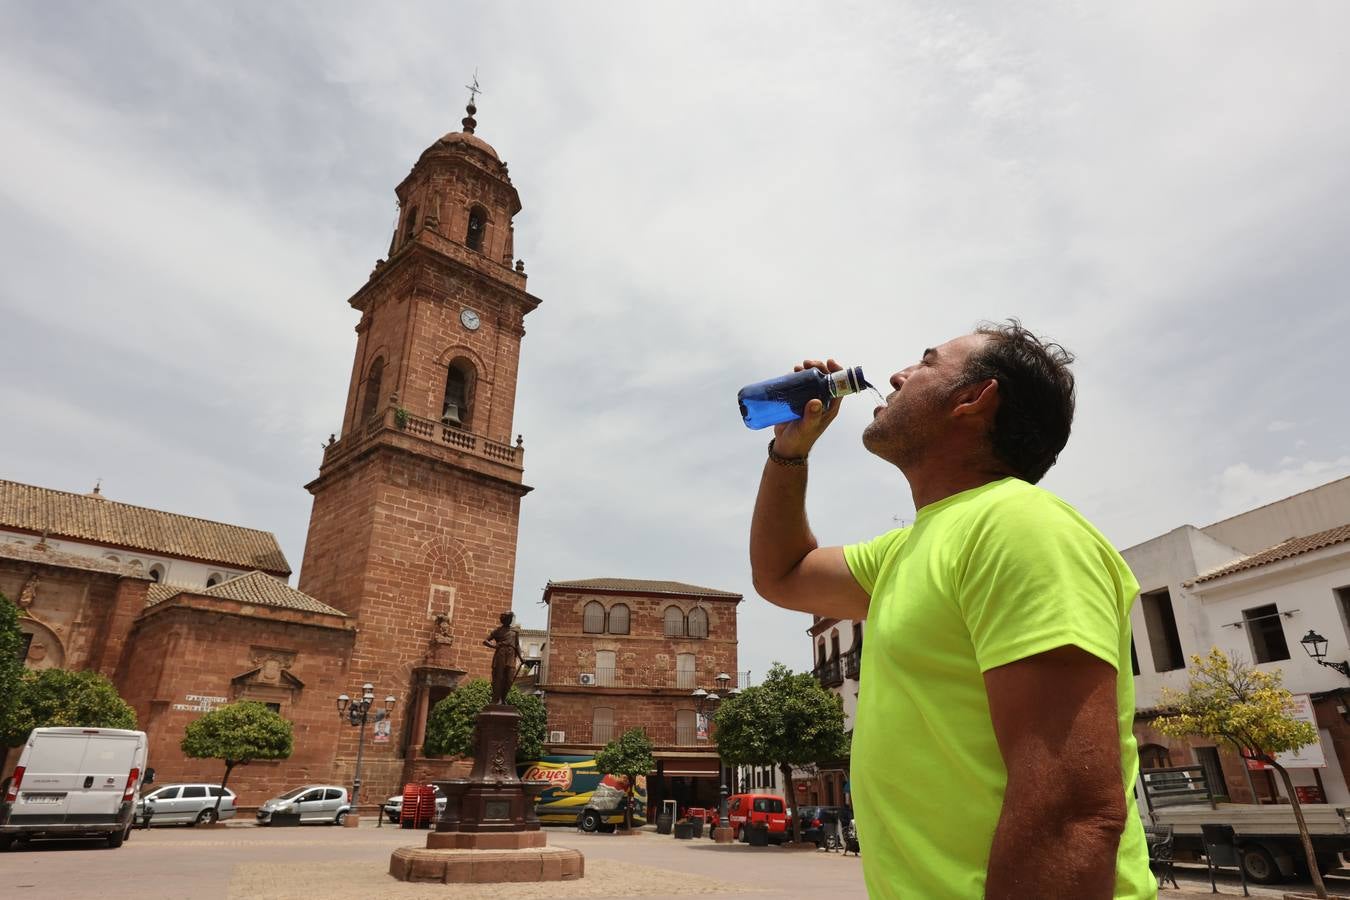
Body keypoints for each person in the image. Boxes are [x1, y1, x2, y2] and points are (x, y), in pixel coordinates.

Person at [749, 321, 1153, 899]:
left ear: (973, 399)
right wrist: (788, 452)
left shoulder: (1019, 526)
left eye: (927, 363)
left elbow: (1070, 812)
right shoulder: (907, 549)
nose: (897, 375)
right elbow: (782, 576)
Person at [483, 611, 524, 705]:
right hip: (500, 655)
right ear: (504, 620)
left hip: (511, 656)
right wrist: (494, 646)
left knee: (509, 679)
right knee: (498, 678)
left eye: (510, 618)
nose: (509, 620)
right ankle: (497, 699)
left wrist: (521, 657)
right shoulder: (497, 631)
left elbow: (517, 645)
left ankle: (503, 698)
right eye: (508, 618)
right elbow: (485, 641)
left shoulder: (514, 632)